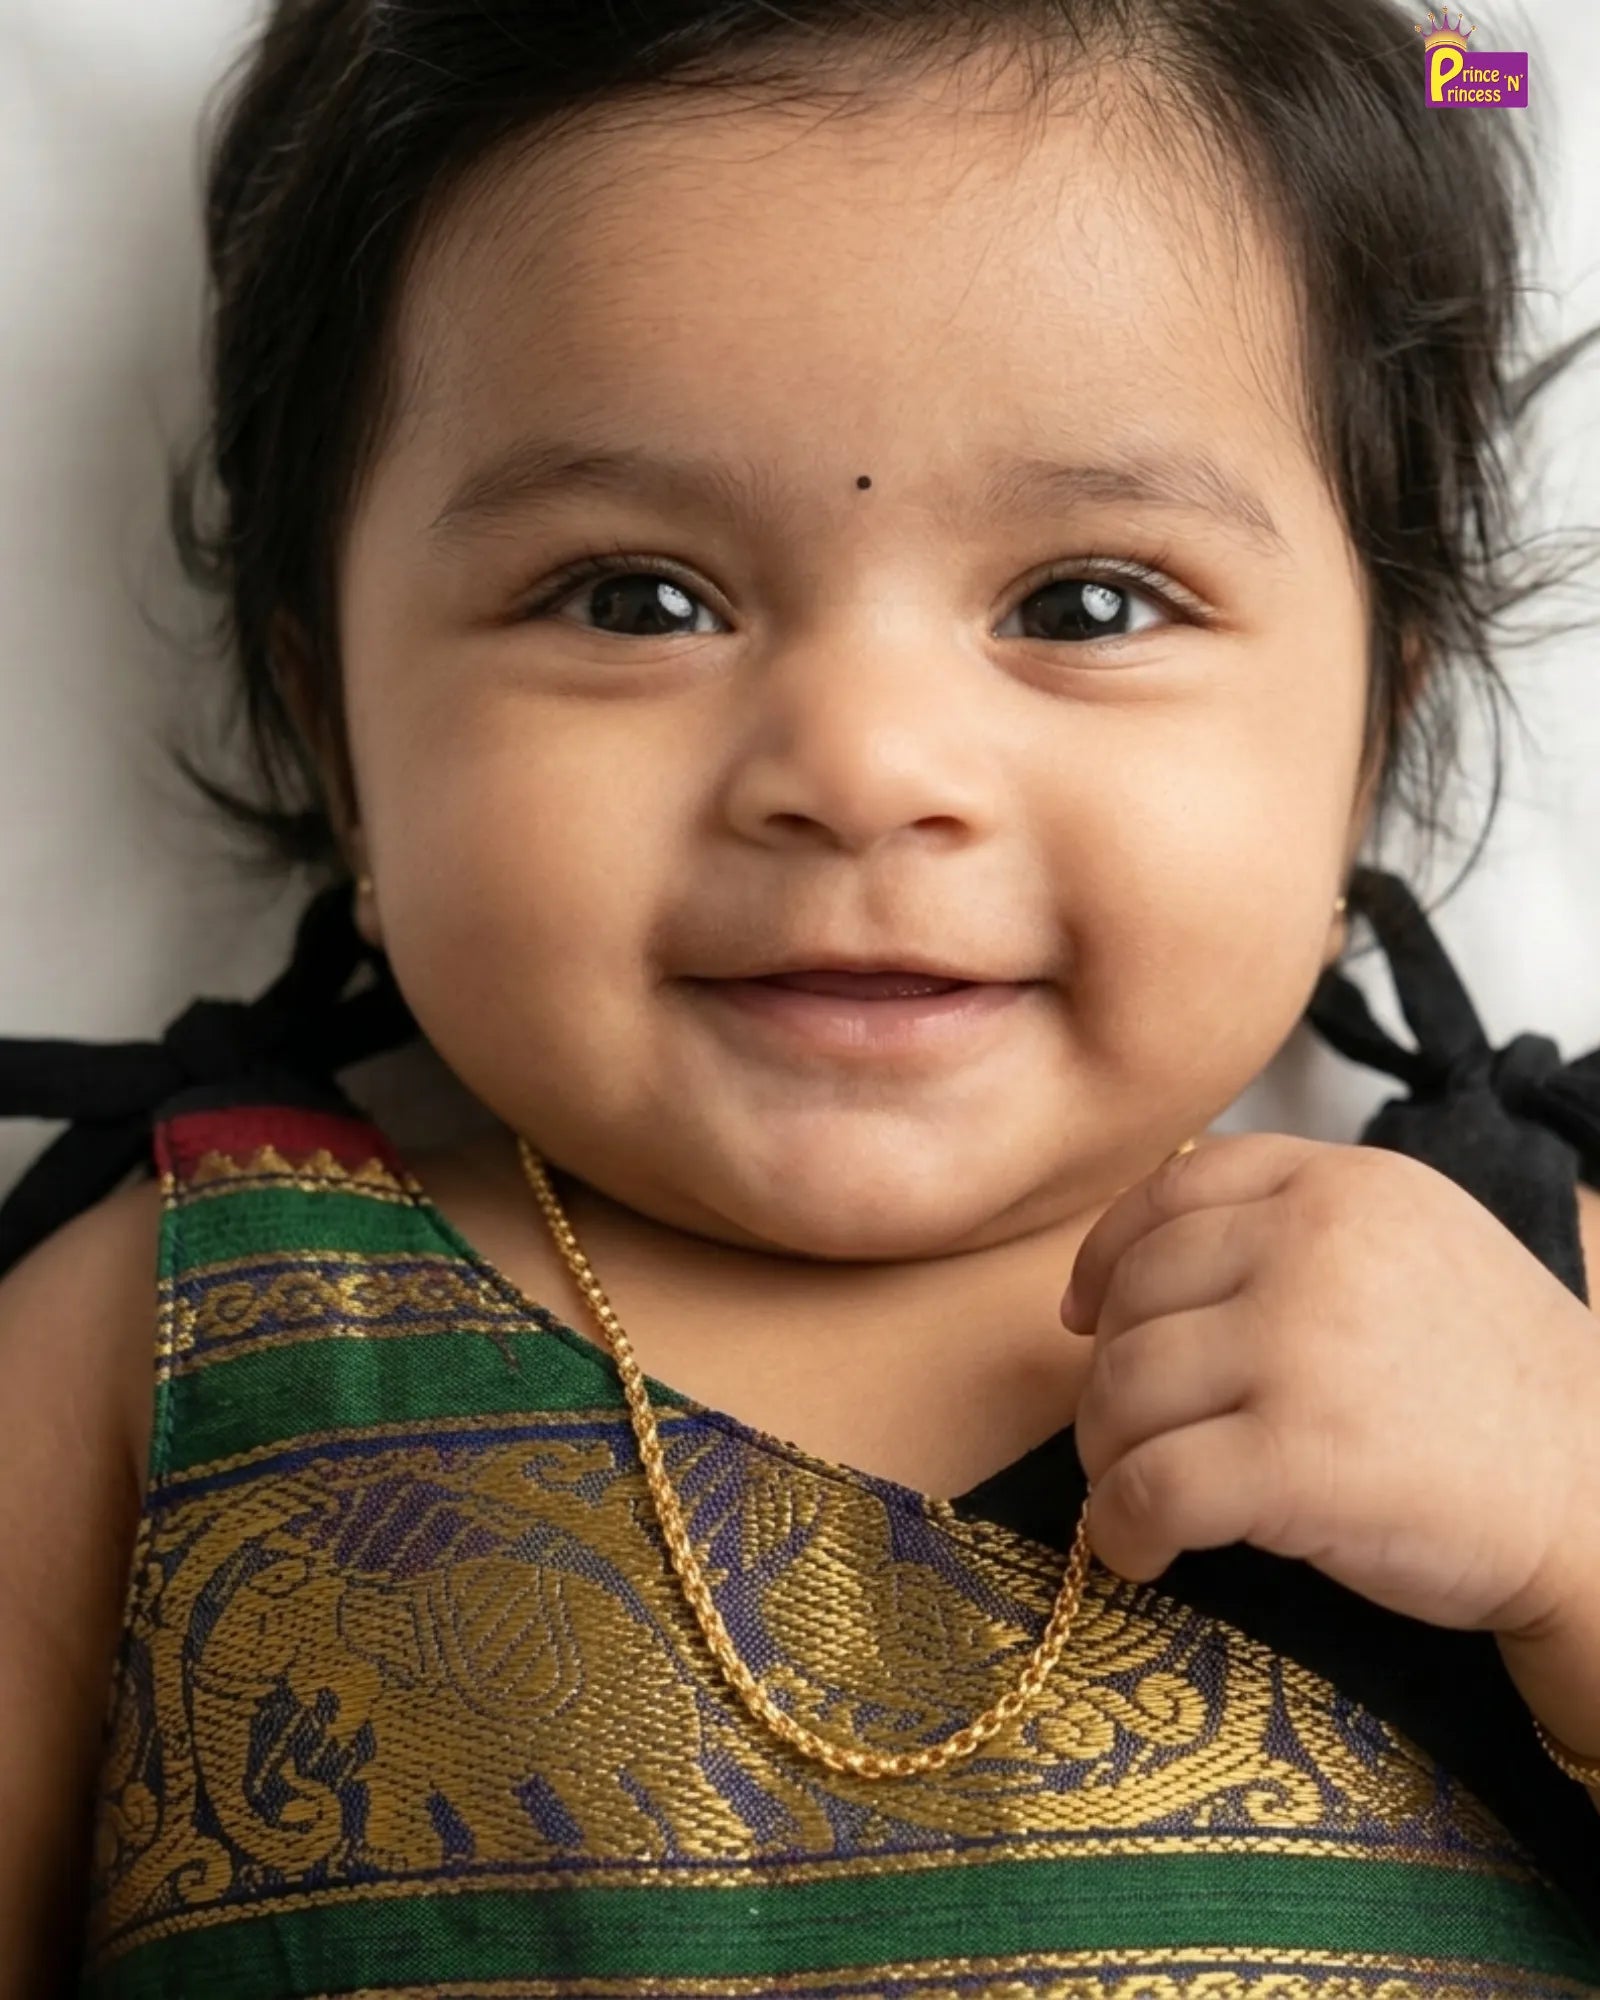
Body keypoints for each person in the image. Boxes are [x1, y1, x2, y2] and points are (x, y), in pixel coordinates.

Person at [2, 0, 1600, 1992]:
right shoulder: (162, 1337)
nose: (856, 764)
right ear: (336, 727)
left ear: (1375, 729)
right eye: (633, 597)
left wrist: (1570, 1534)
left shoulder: (1532, 1316)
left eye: (1086, 602)